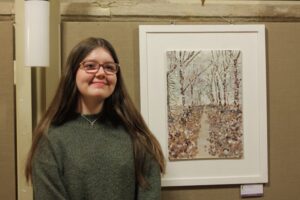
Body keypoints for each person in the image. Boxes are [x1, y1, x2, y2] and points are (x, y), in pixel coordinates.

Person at [25, 37, 165, 200]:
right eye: (90, 66)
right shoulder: (51, 139)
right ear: (73, 73)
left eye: (109, 67)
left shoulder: (138, 136)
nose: (100, 73)